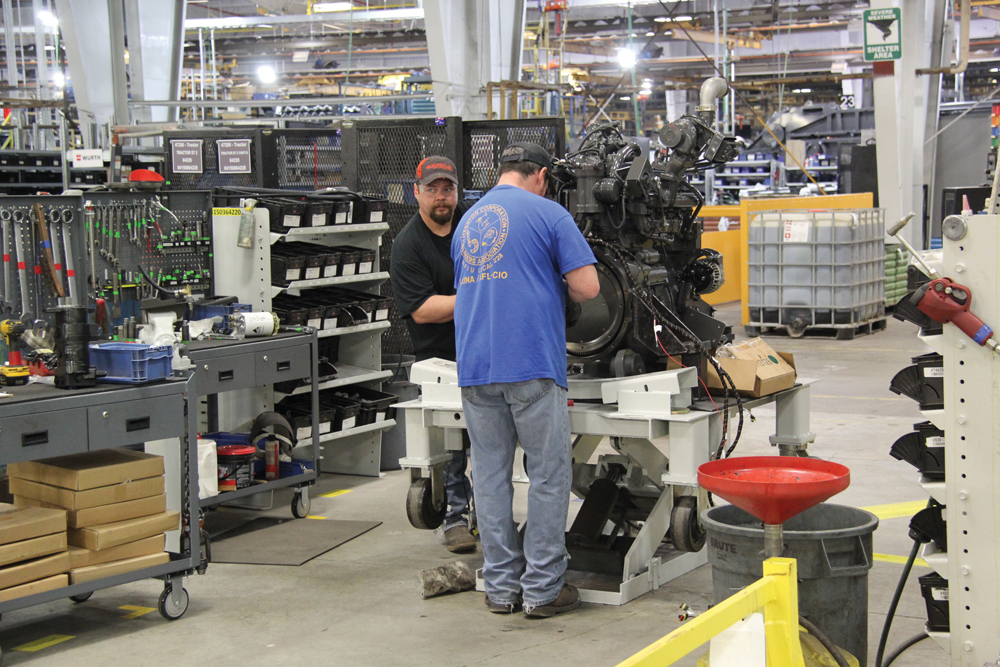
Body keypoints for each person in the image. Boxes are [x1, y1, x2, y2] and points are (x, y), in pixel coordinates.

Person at [451, 142, 600, 618]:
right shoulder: (549, 212)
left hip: (475, 366)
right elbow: (588, 288)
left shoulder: (468, 222)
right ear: (539, 176)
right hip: (531, 363)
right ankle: (541, 590)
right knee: (548, 477)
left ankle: (500, 589)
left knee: (490, 477)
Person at [389, 156, 476, 554]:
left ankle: (487, 511)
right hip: (440, 357)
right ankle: (456, 516)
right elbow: (422, 309)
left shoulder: (474, 223)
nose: (442, 198)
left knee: (491, 437)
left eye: (448, 189)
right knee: (455, 439)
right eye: (433, 190)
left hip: (482, 345)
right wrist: (483, 294)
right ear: (416, 193)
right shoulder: (409, 245)